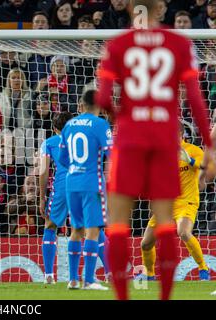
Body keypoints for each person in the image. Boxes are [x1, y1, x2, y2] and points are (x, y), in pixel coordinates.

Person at [95, 0, 214, 300]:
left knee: (119, 225)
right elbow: (196, 103)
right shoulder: (177, 43)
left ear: (131, 8)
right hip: (162, 139)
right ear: (161, 9)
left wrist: (126, 115)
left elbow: (104, 98)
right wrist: (209, 146)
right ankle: (165, 297)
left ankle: (122, 297)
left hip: (131, 139)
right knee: (165, 225)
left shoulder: (119, 45)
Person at [141, 124, 210, 281]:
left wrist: (190, 161)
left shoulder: (193, 150)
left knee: (183, 232)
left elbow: (205, 168)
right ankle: (150, 276)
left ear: (180, 134)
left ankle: (203, 269)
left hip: (187, 202)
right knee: (145, 244)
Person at [58, 89, 112, 291]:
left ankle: (72, 279)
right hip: (92, 183)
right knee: (92, 231)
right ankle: (89, 280)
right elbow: (112, 153)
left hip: (71, 183)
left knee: (76, 230)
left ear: (81, 104)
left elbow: (63, 159)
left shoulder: (69, 125)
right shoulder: (100, 124)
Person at [38, 111, 72, 284]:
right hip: (86, 184)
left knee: (50, 226)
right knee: (94, 228)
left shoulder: (49, 143)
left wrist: (42, 197)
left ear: (54, 127)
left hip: (62, 187)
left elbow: (43, 171)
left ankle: (49, 275)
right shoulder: (82, 139)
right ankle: (111, 274)